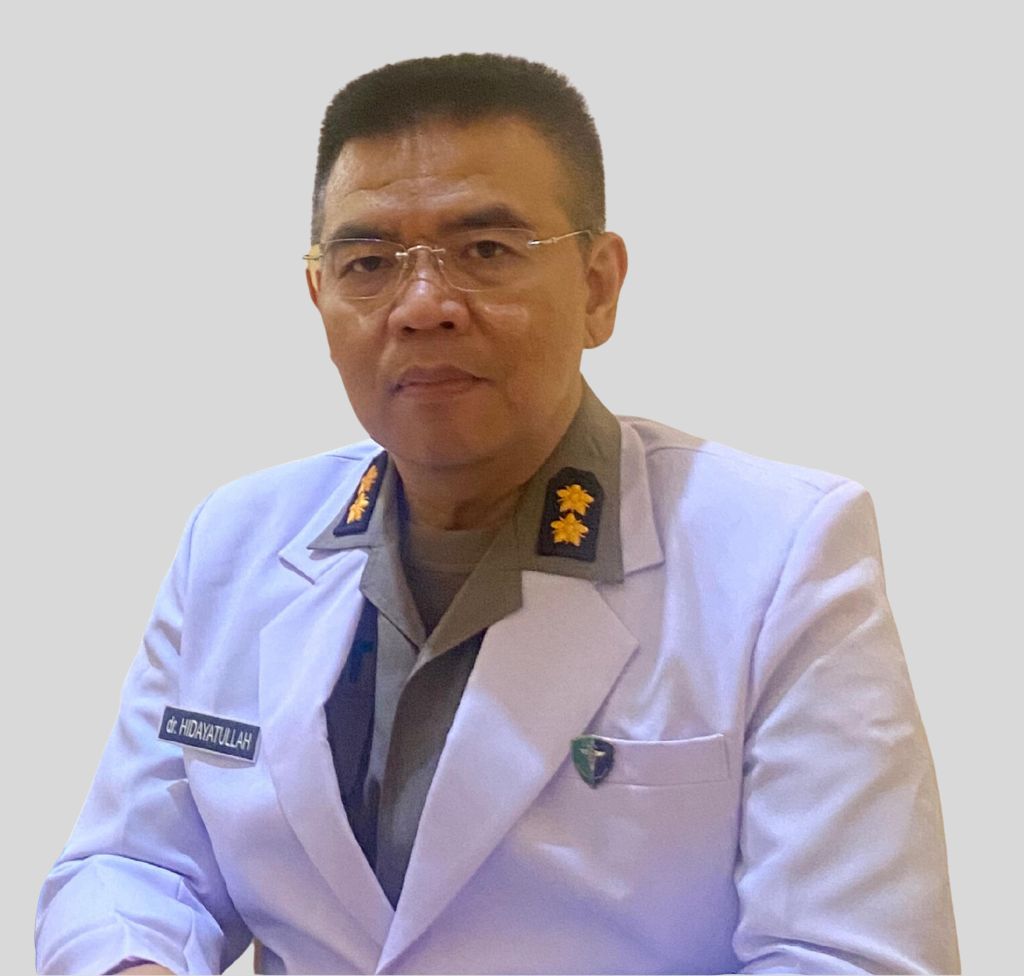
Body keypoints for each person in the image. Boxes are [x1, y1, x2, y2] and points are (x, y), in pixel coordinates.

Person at [35, 53, 959, 975]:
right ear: (319, 295)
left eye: (485, 251)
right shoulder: (234, 541)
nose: (422, 306)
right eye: (369, 263)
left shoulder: (781, 556)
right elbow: (131, 865)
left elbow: (851, 955)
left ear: (599, 286)